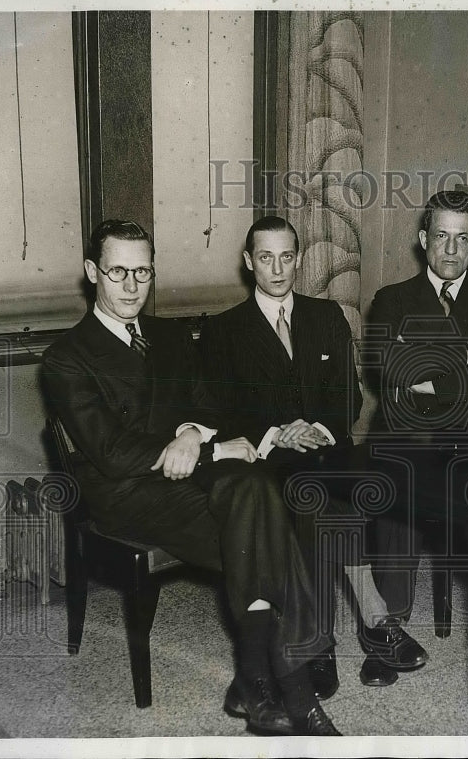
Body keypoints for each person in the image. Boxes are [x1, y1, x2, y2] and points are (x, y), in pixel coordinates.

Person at [42, 219, 340, 736]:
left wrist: (190, 433)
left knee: (257, 492)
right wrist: (204, 451)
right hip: (127, 494)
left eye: (143, 272)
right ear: (93, 273)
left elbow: (206, 406)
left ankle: (253, 678)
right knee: (266, 529)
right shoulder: (66, 356)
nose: (133, 286)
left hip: (190, 474)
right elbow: (112, 452)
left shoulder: (169, 334)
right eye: (118, 272)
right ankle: (293, 687)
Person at [198, 215, 424, 693]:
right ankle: (369, 622)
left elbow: (348, 398)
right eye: (265, 258)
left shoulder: (327, 316)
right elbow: (220, 409)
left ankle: (328, 640)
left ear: (298, 259)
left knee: (385, 482)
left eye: (286, 257)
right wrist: (277, 433)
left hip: (326, 448)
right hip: (267, 460)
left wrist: (315, 427)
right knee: (317, 499)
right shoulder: (224, 330)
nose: (277, 269)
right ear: (248, 262)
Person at [365, 190, 468, 689]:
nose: (451, 250)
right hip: (411, 435)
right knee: (396, 481)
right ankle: (386, 627)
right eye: (441, 236)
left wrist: (428, 373)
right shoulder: (391, 300)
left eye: (462, 239)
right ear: (423, 239)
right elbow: (384, 374)